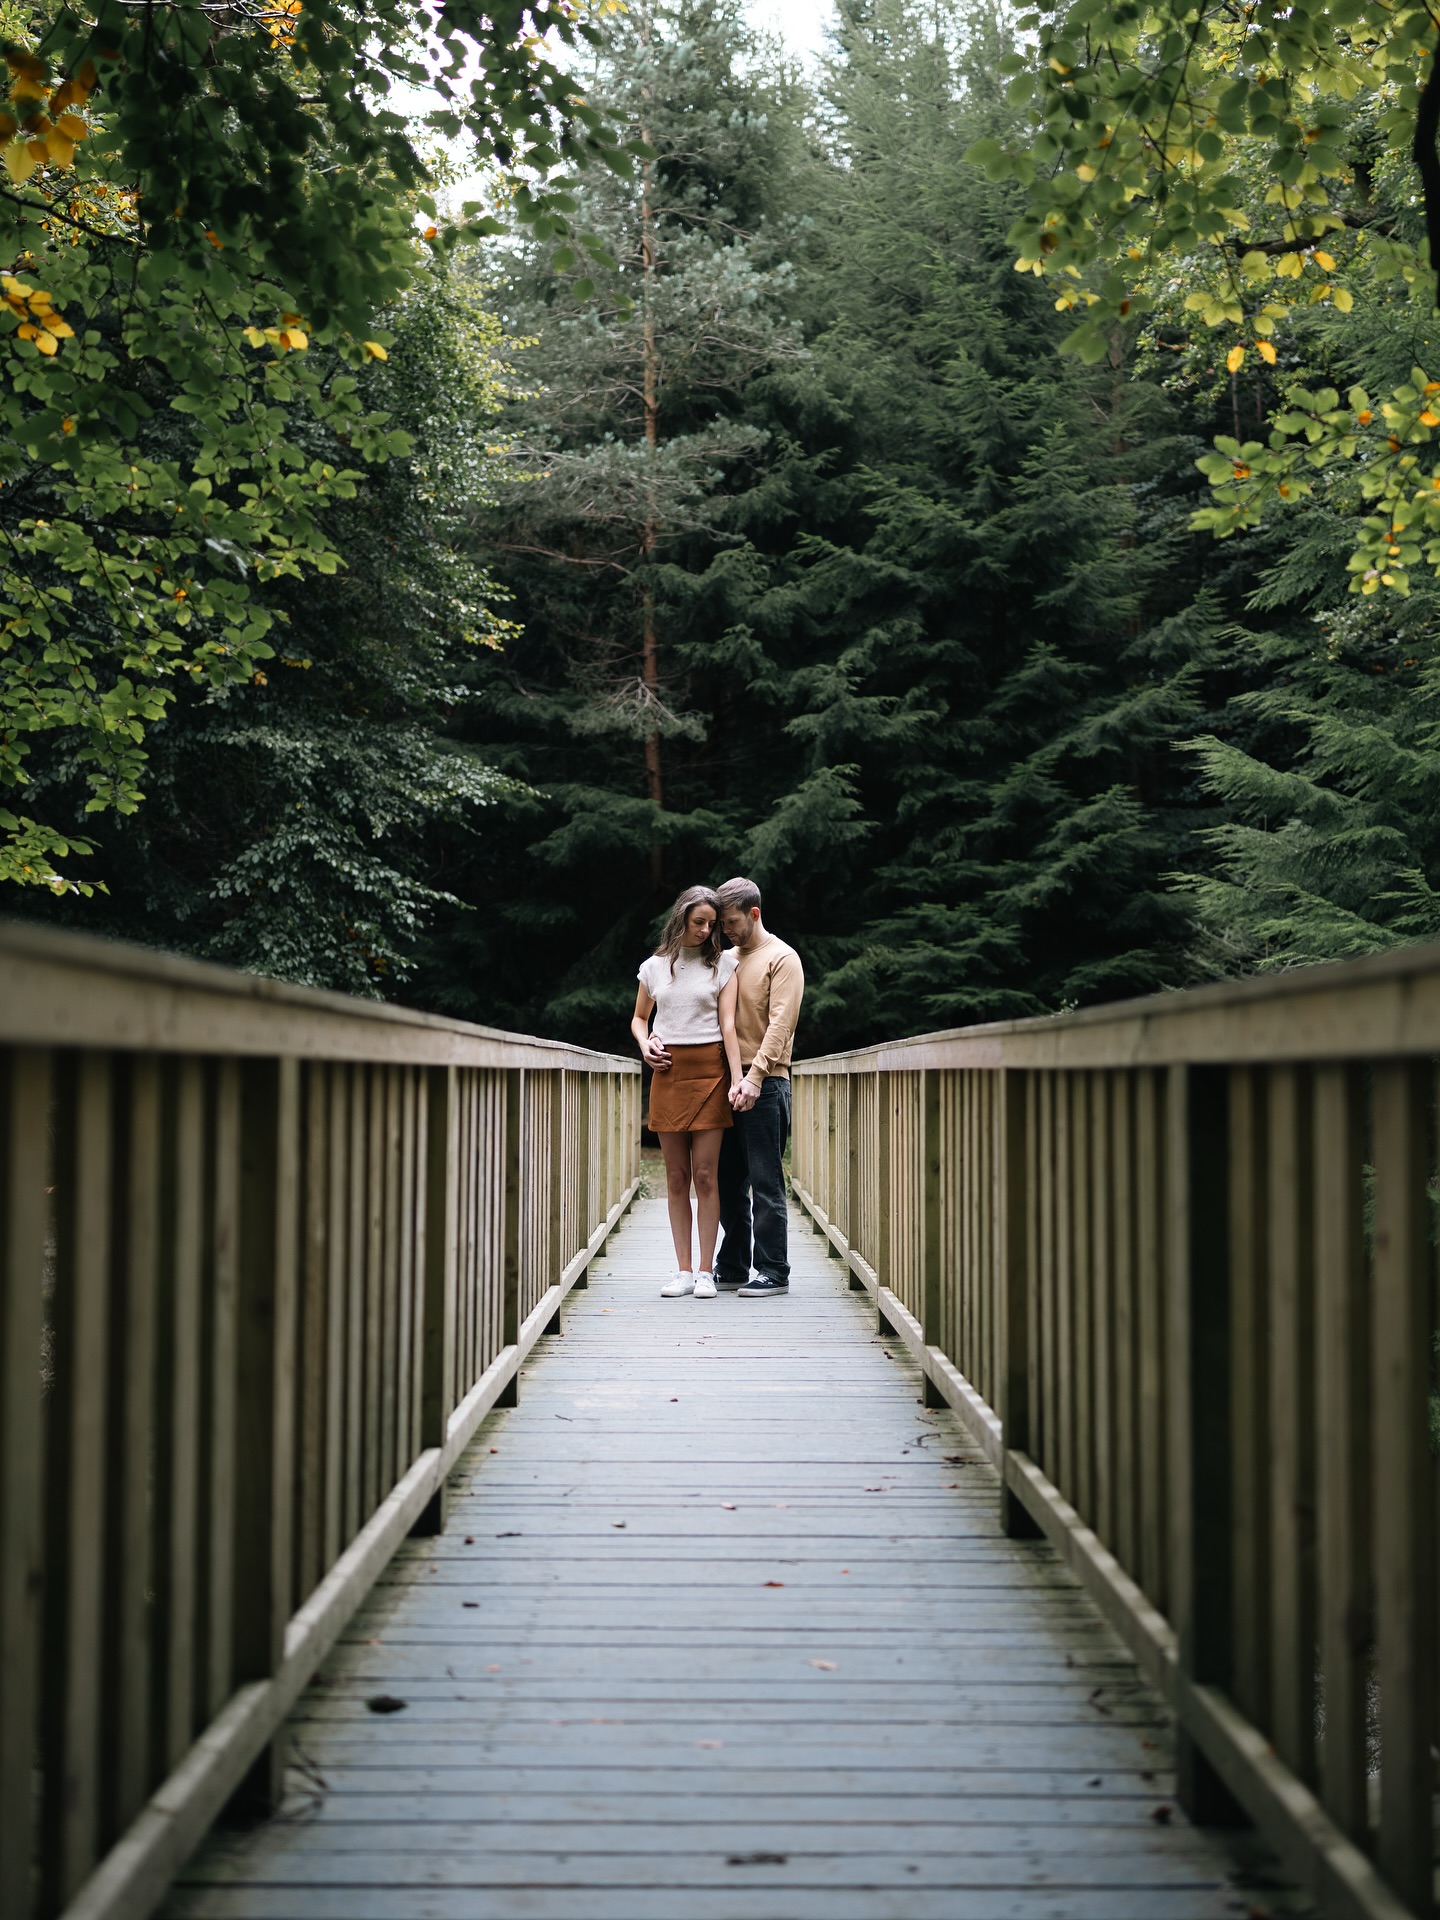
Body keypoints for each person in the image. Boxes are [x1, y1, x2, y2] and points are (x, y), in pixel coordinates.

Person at [631, 884, 745, 1298]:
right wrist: (646, 1046)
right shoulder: (653, 968)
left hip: (711, 1073)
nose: (706, 931)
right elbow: (640, 1019)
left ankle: (705, 1272)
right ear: (681, 917)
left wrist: (737, 1078)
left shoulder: (723, 967)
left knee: (705, 1175)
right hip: (668, 1073)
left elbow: (729, 1025)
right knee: (676, 1177)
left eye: (712, 925)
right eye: (699, 922)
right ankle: (681, 1270)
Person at [713, 877, 805, 1298]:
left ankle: (773, 1270)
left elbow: (781, 1025)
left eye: (731, 922)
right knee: (726, 1179)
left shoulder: (782, 958)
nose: (726, 930)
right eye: (721, 924)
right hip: (728, 1081)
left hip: (766, 1083)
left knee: (765, 1181)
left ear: (754, 914)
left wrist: (755, 1077)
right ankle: (731, 1266)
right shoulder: (726, 960)